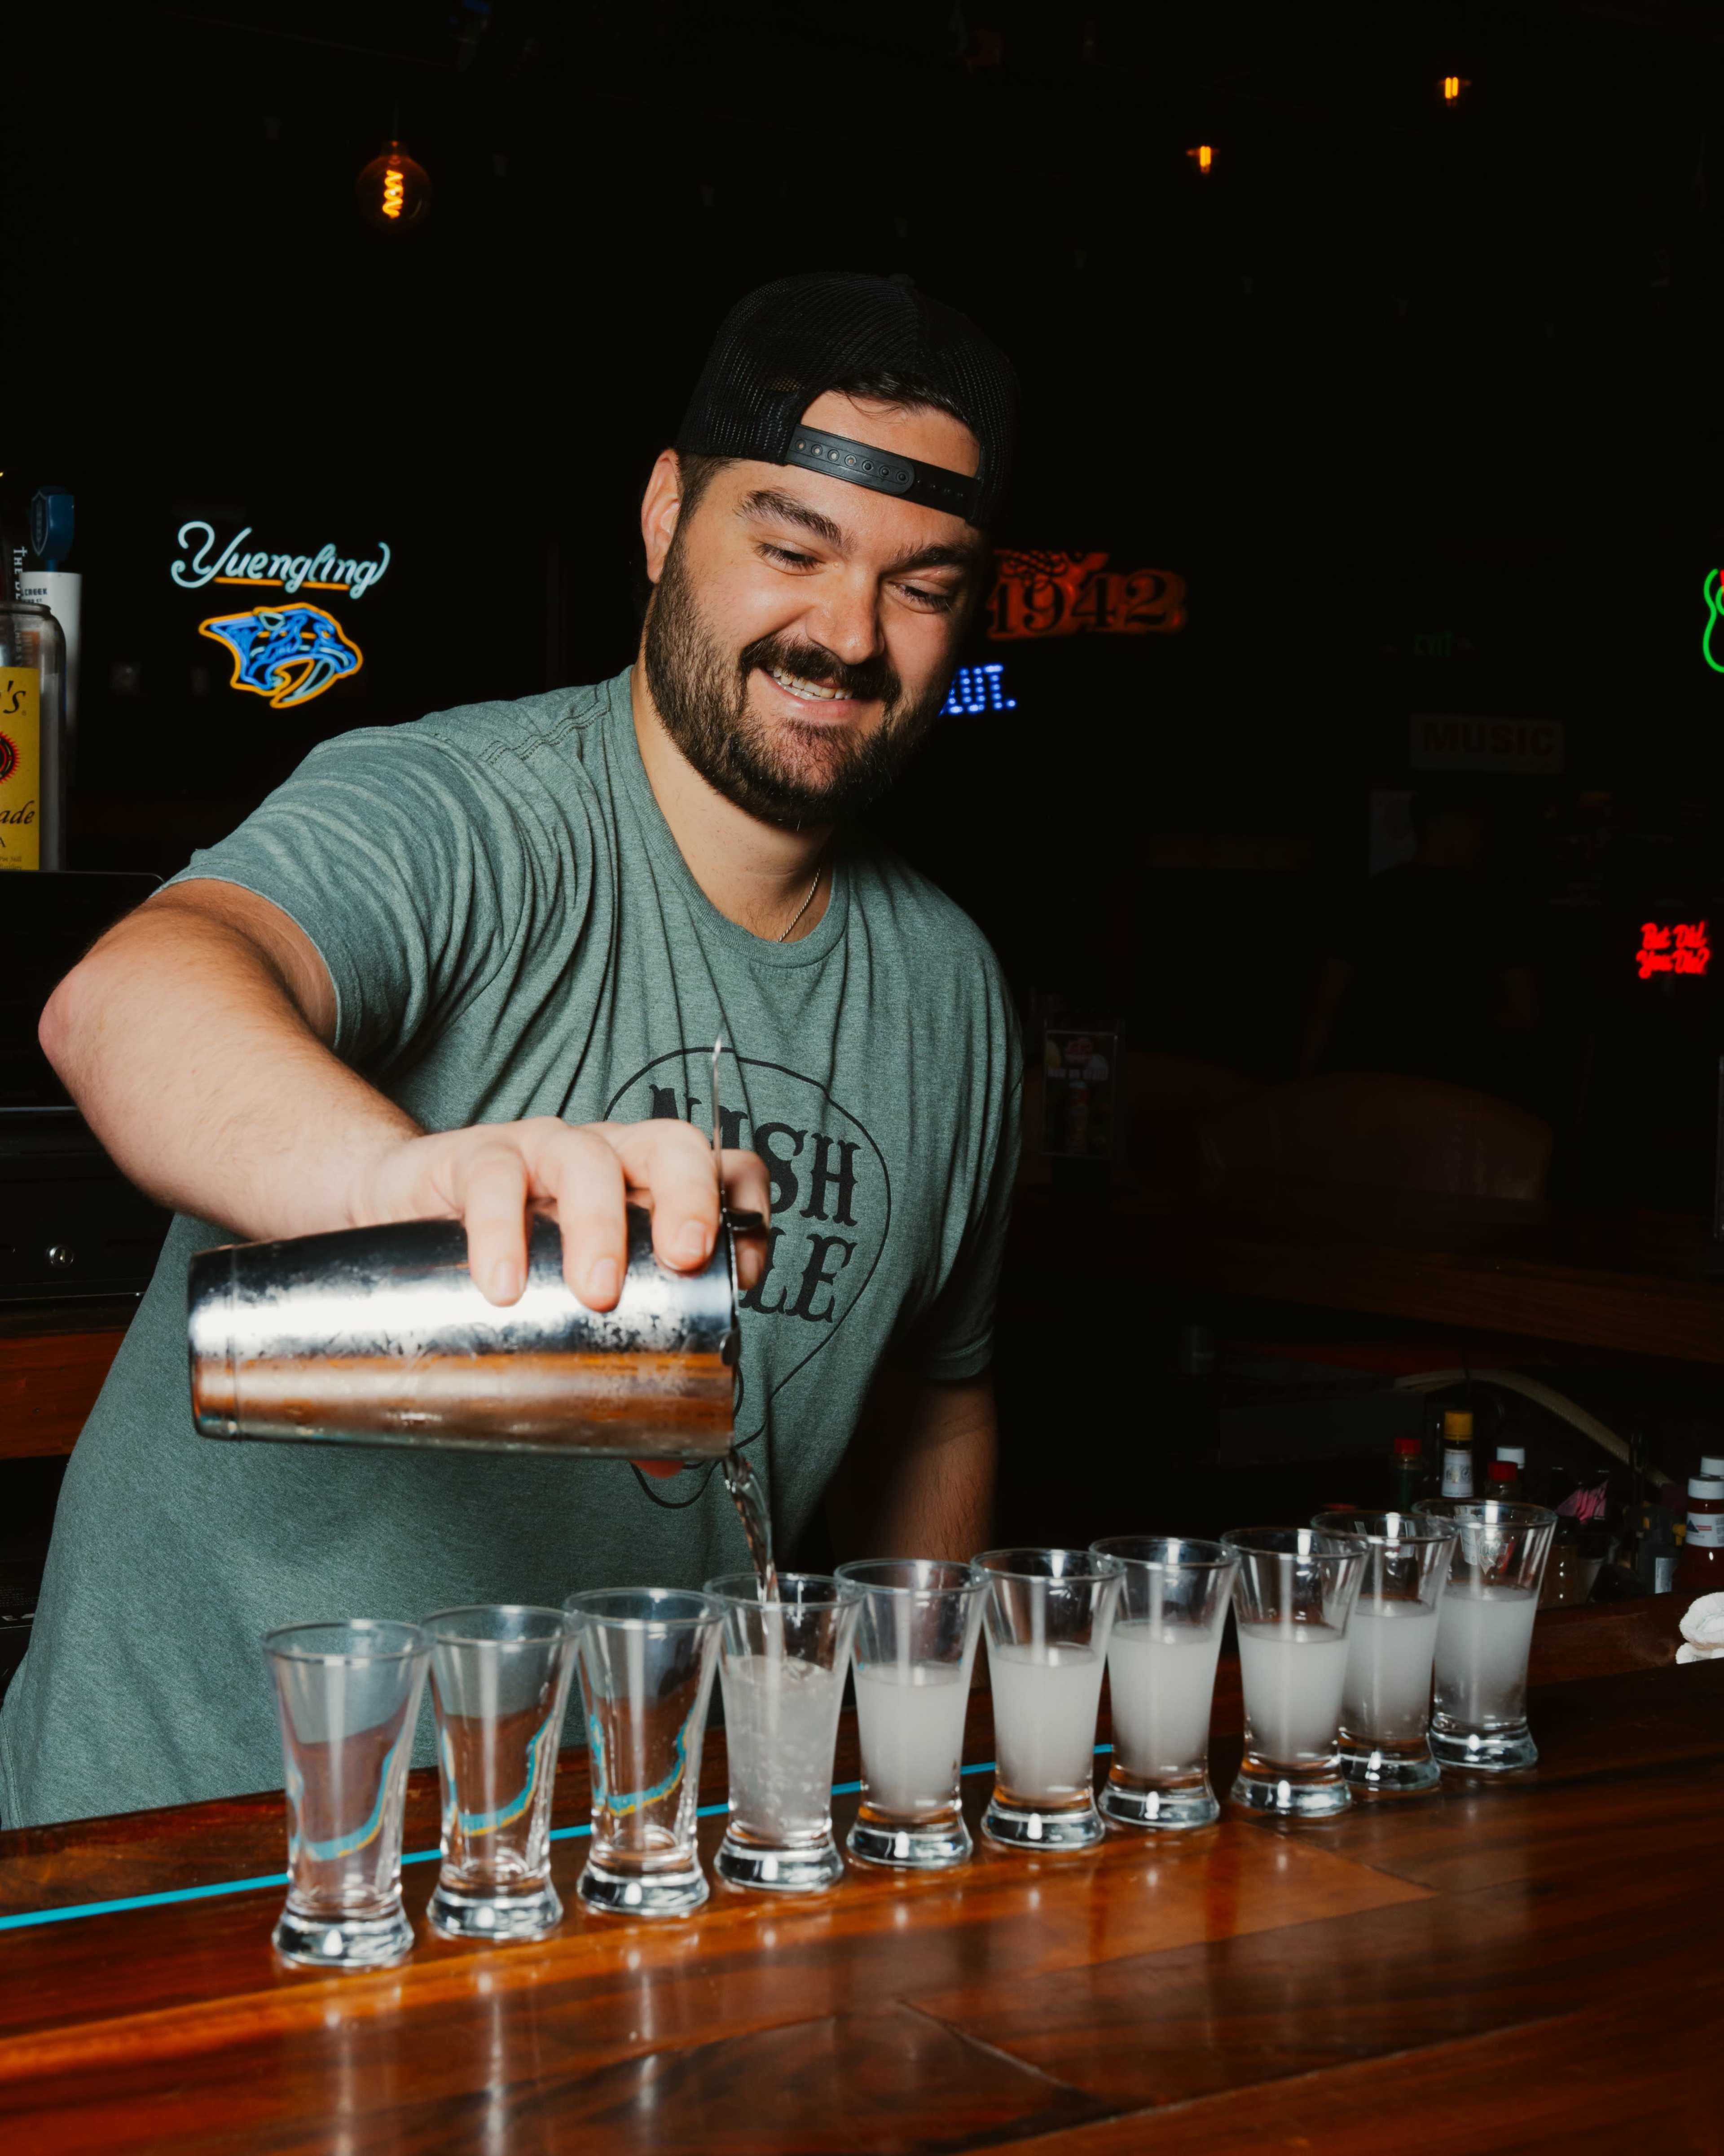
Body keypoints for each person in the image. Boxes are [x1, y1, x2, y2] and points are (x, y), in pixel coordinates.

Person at [0, 273, 1023, 1826]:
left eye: (924, 583)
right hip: (184, 1847)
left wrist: (901, 1760)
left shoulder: (951, 991)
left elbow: (942, 1397)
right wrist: (408, 1180)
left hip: (600, 1866)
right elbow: (129, 994)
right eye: (789, 548)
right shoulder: (465, 811)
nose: (847, 635)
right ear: (668, 515)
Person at [1299, 786, 1540, 1100]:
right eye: (1476, 829)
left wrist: (1301, 1087)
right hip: (1455, 1092)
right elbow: (1527, 1014)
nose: (1482, 842)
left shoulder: (1370, 899)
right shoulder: (1492, 909)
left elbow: (1325, 1008)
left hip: (1373, 1086)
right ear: (1448, 827)